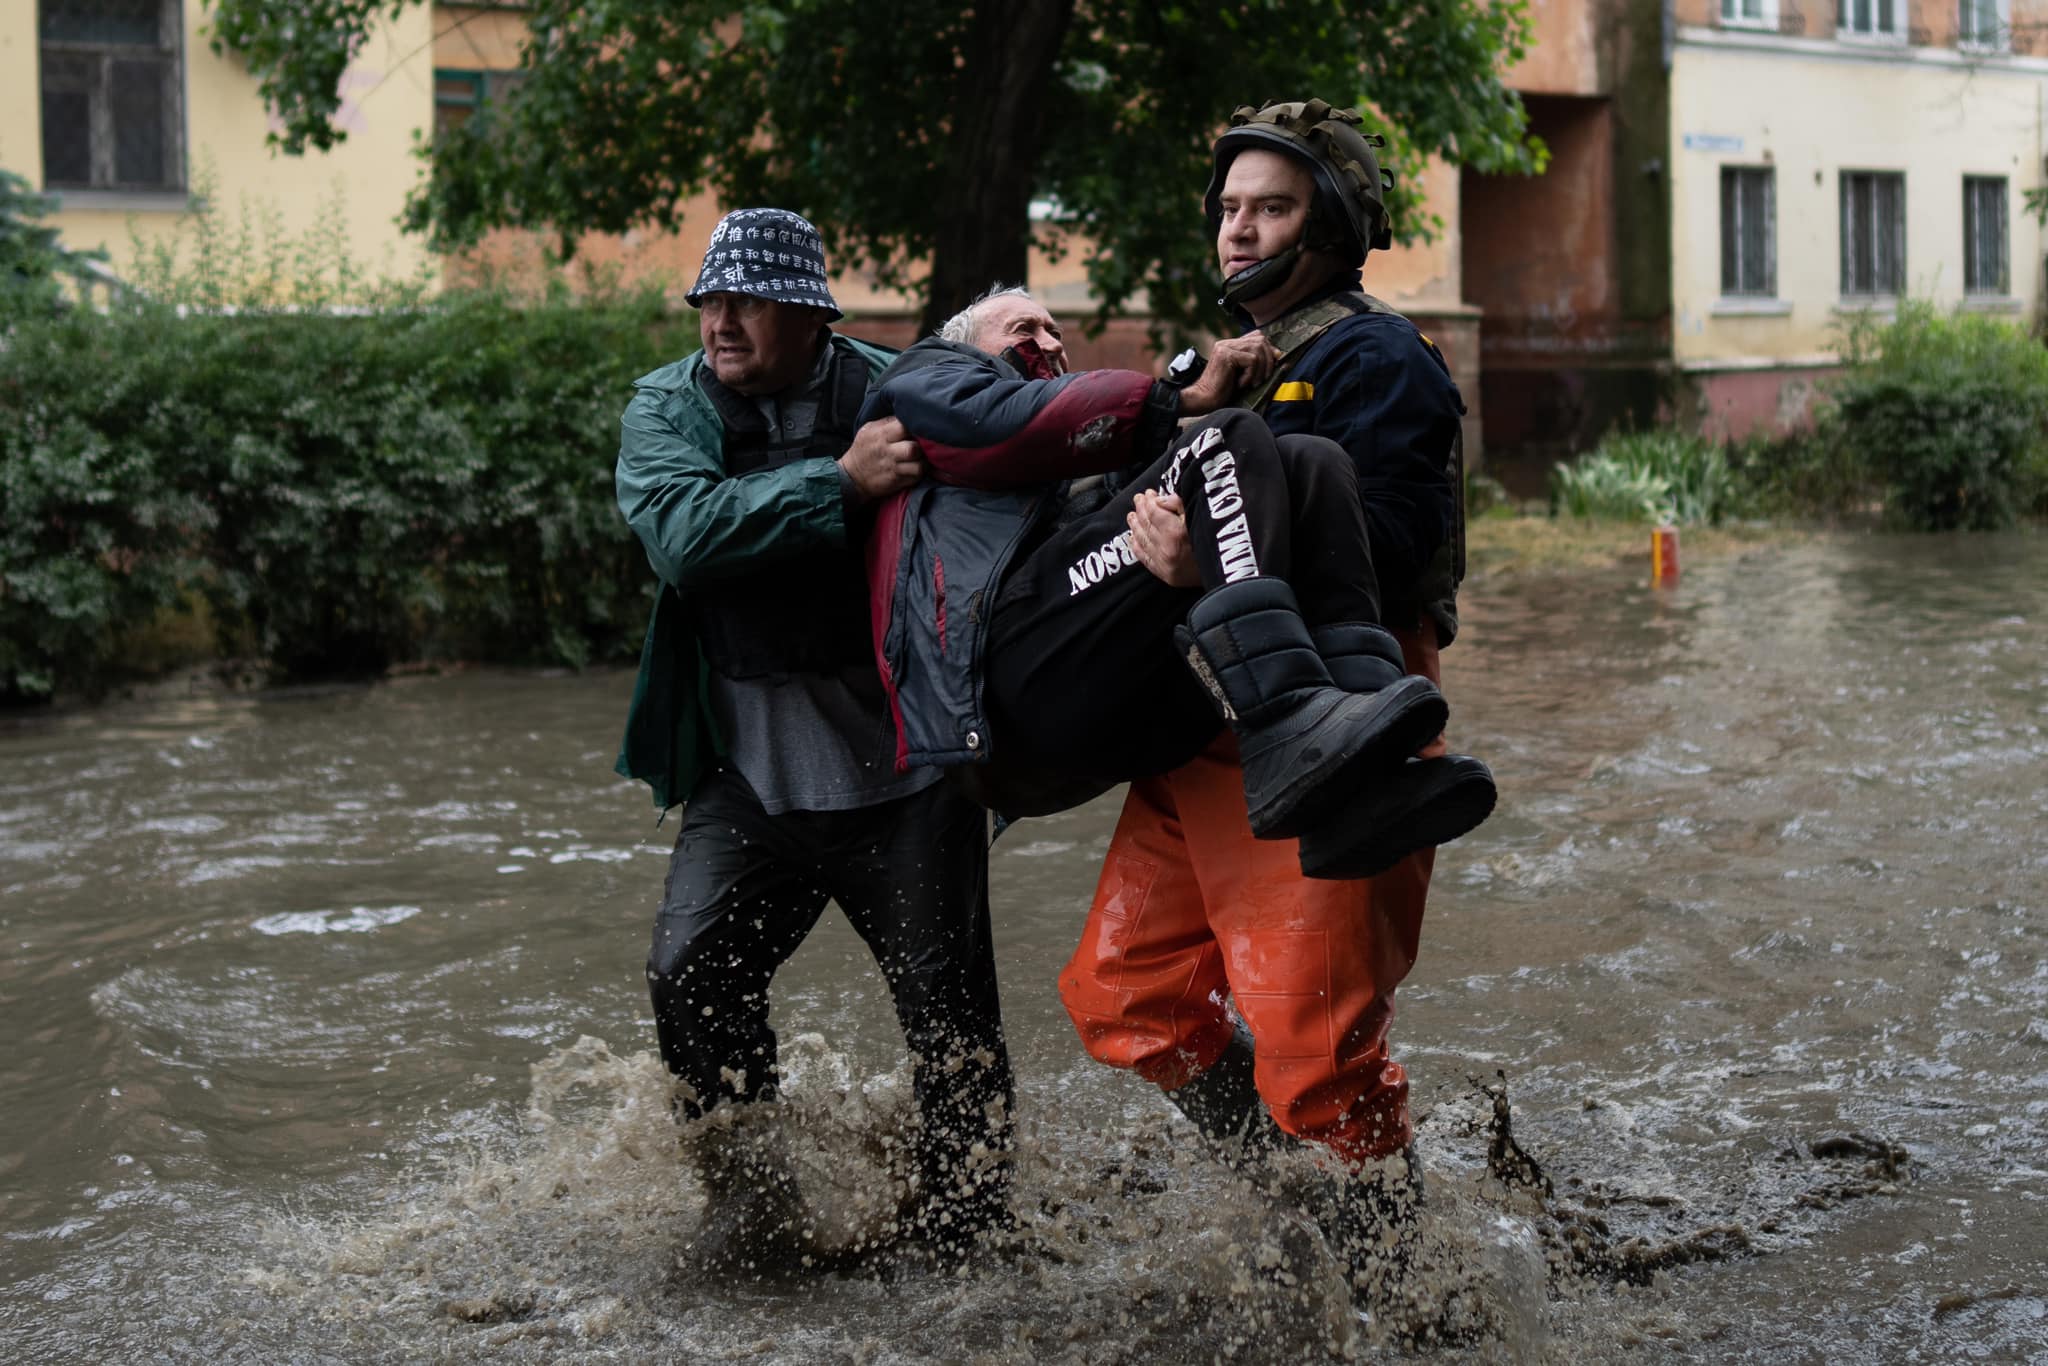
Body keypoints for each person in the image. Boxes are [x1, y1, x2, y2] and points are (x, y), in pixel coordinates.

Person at [1055, 99, 1479, 1327]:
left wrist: (1222, 563)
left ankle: (1416, 1306)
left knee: (1317, 1059)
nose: (1240, 229)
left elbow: (1392, 548)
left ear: (1331, 223)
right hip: (1201, 729)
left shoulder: (1374, 357)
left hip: (1334, 722)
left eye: (1271, 207)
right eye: (1229, 208)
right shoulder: (1221, 367)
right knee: (1123, 996)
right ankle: (1287, 1199)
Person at [611, 207, 1013, 1271]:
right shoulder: (667, 406)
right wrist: (838, 484)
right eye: (708, 298)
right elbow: (683, 537)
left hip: (908, 778)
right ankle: (754, 1209)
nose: (720, 320)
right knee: (687, 975)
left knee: (952, 1026)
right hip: (749, 782)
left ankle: (970, 1233)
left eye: (746, 301)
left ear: (808, 317)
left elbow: (1026, 466)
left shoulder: (897, 391)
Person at [854, 286, 1495, 880]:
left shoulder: (1079, 461)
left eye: (1055, 331)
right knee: (1226, 437)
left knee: (1309, 459)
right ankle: (1283, 728)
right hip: (1000, 692)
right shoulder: (927, 377)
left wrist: (1192, 551)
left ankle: (1369, 777)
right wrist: (1178, 401)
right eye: (1025, 329)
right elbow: (1000, 421)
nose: (1049, 343)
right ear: (965, 347)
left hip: (1098, 688)